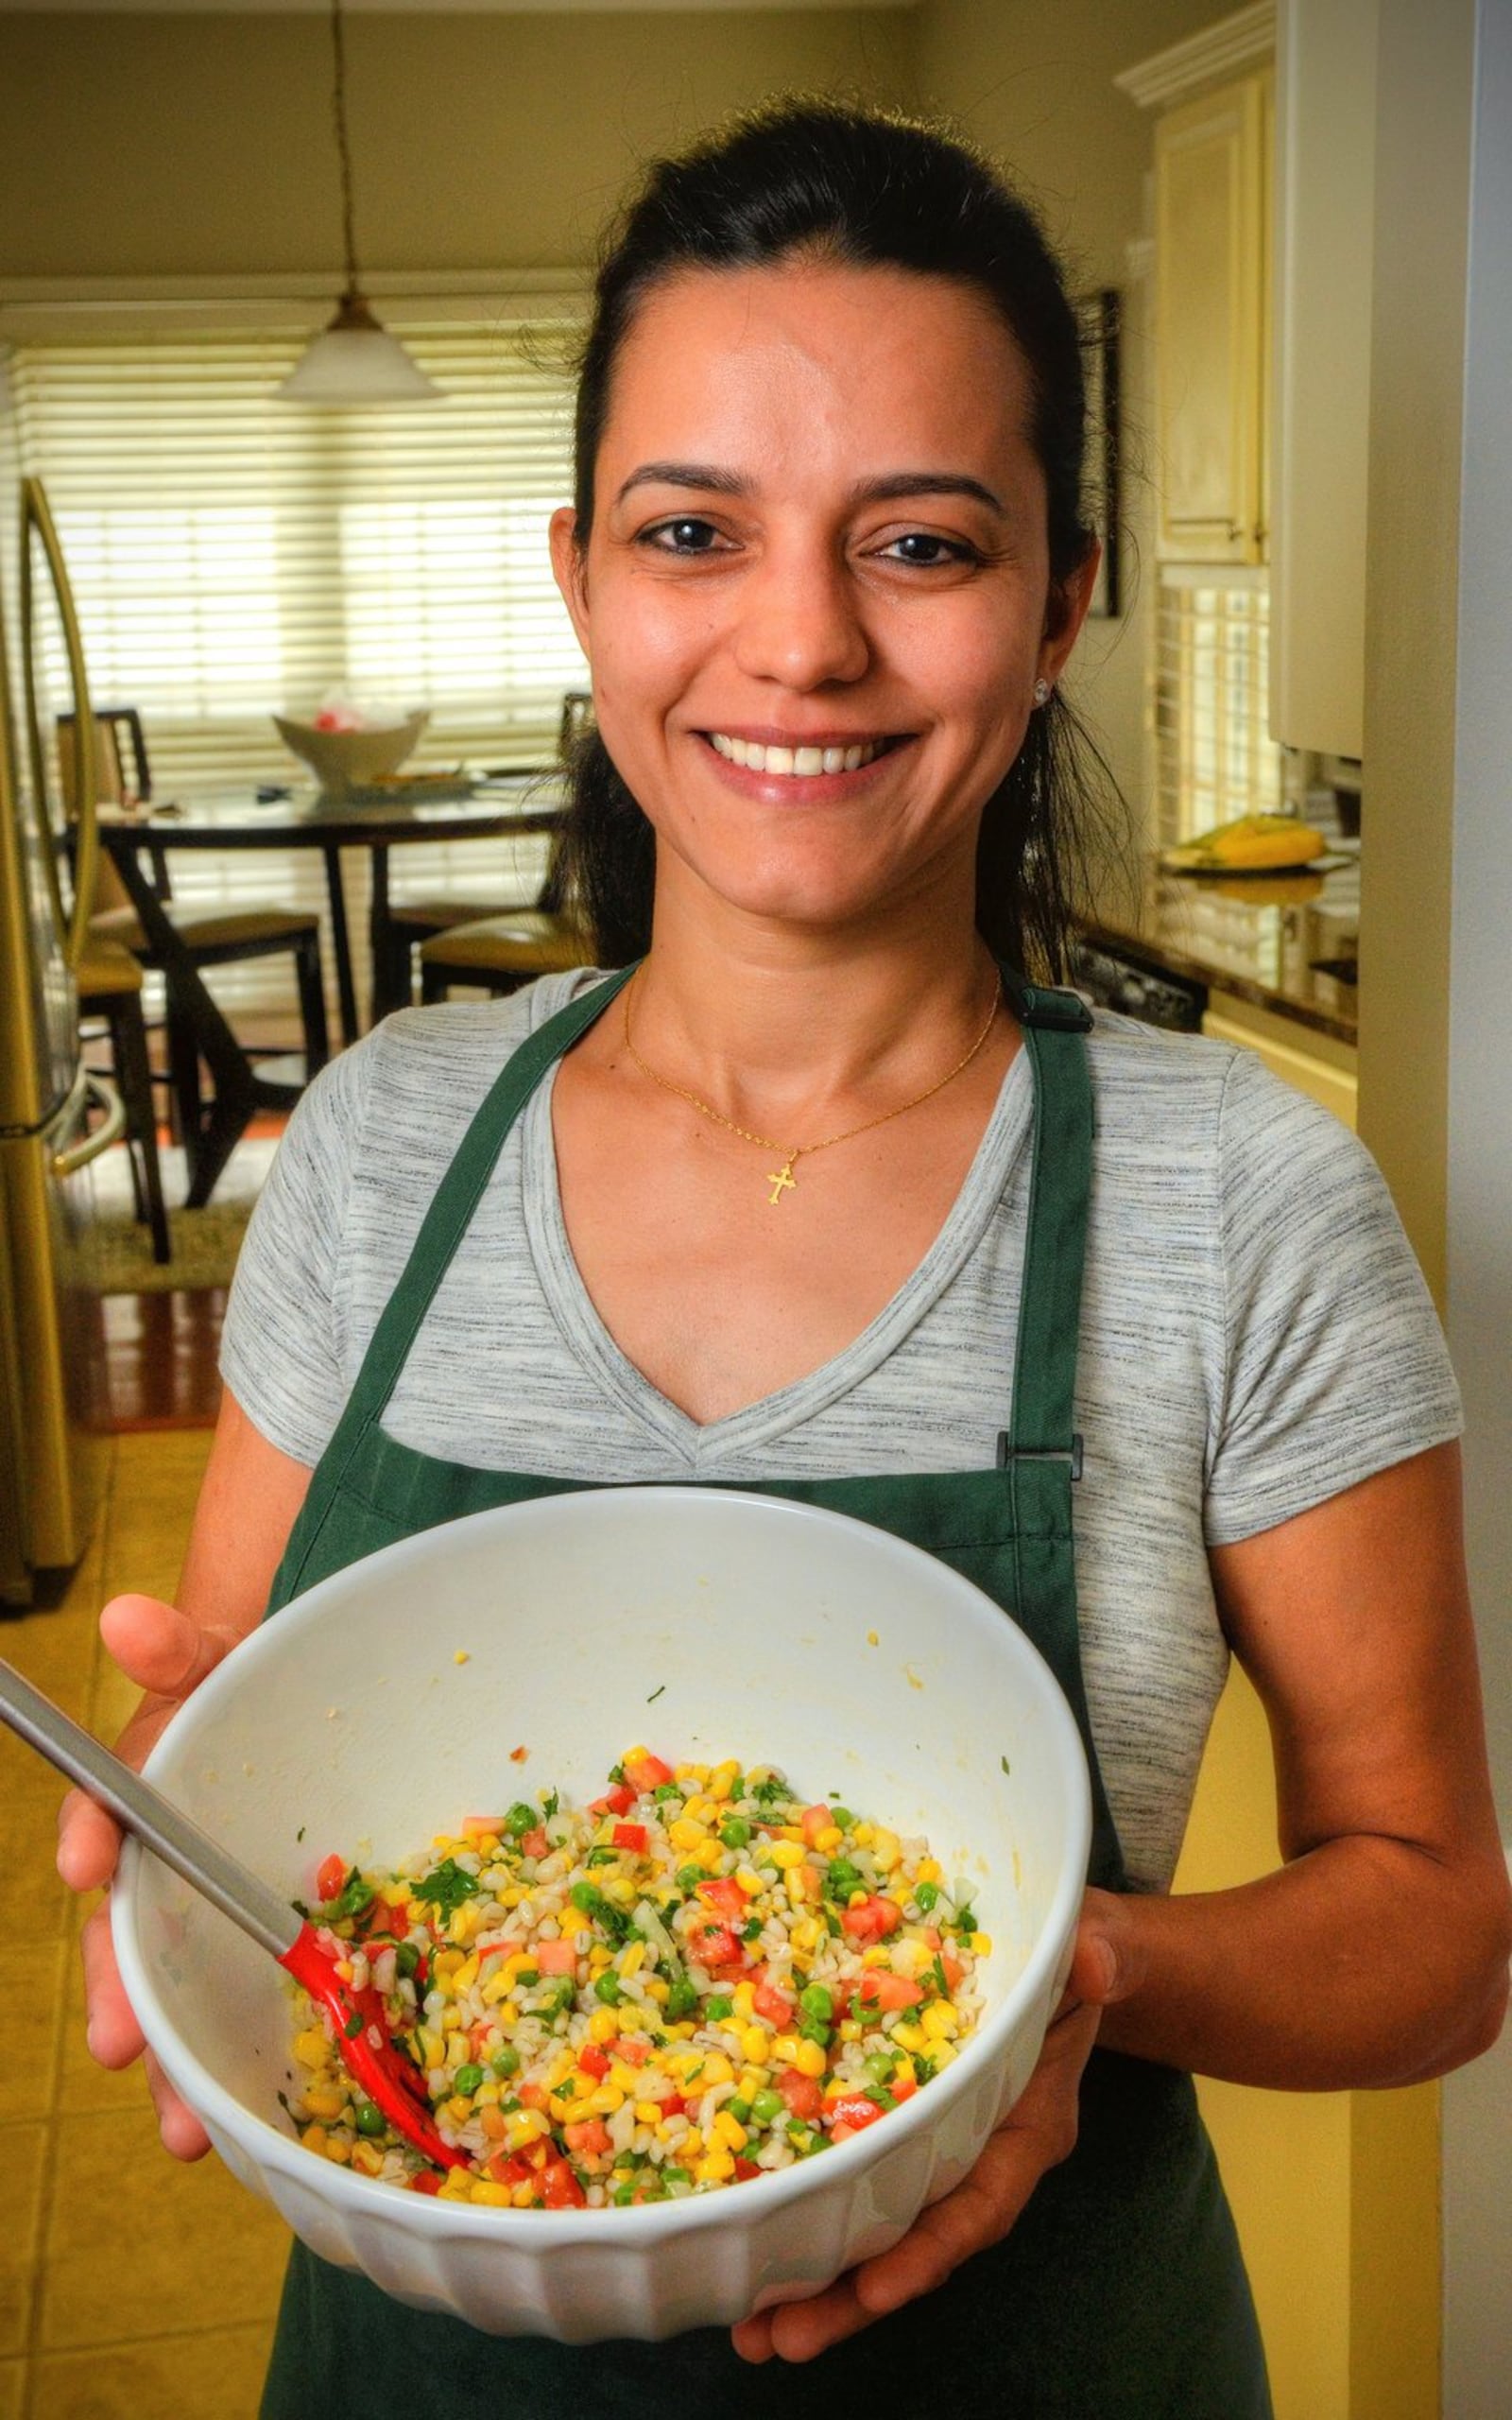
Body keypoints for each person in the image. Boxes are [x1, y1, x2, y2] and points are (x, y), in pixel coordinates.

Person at [59, 99, 1509, 2419]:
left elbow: (1432, 1927)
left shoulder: (1231, 1197)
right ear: (580, 582)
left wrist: (1085, 1970)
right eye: (692, 531)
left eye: (918, 540)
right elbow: (242, 1732)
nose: (800, 642)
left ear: (1056, 600)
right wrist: (172, 1816)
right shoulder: (378, 1142)